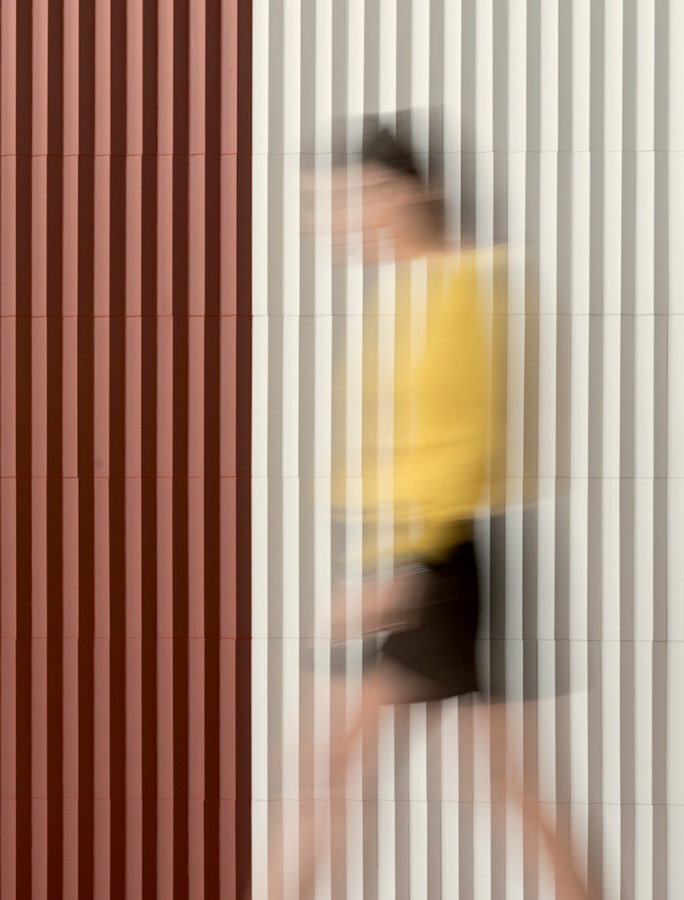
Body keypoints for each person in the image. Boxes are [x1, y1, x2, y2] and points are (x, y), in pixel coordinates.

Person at [258, 115, 592, 899]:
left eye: (356, 197)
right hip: (407, 554)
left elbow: (464, 442)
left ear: (410, 194)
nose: (339, 219)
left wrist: (399, 569)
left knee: (330, 766)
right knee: (499, 779)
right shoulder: (405, 294)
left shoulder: (467, 287)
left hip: (432, 560)